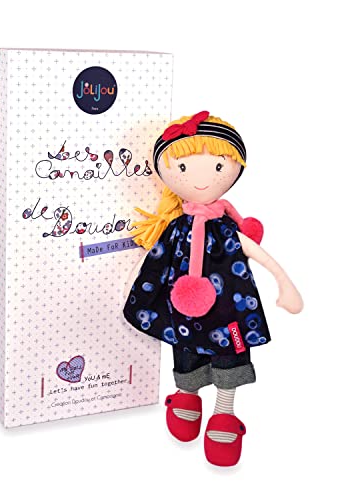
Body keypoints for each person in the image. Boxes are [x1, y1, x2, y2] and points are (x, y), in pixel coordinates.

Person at [122, 110, 303, 467]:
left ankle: (224, 412)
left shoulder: (226, 229)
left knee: (230, 350)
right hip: (183, 308)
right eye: (183, 168)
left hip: (229, 309)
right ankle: (186, 395)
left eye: (218, 167)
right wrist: (136, 288)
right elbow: (154, 260)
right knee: (185, 344)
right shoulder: (176, 227)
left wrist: (284, 283)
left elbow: (256, 252)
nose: (203, 179)